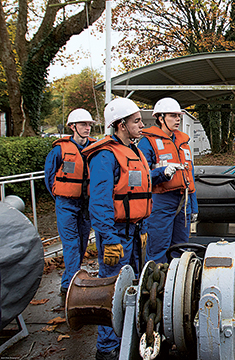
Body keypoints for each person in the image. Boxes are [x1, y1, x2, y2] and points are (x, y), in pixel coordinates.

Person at [83, 97, 170, 360]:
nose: (141, 125)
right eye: (136, 121)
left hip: (135, 230)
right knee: (112, 290)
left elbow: (137, 183)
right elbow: (99, 201)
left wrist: (159, 173)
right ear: (120, 125)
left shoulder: (135, 151)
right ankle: (107, 348)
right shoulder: (104, 156)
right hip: (116, 233)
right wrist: (108, 238)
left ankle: (127, 339)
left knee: (134, 286)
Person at [44, 108, 96, 305]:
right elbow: (50, 177)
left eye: (89, 124)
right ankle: (70, 285)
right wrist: (61, 196)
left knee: (83, 241)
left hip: (86, 203)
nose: (87, 128)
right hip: (66, 203)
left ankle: (72, 278)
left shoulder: (95, 148)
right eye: (83, 124)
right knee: (71, 243)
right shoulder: (59, 150)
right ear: (73, 127)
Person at [138, 97, 198, 264]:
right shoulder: (147, 143)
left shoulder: (183, 143)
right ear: (160, 118)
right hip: (160, 202)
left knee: (181, 248)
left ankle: (177, 286)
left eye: (178, 116)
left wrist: (193, 206)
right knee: (158, 248)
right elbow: (141, 177)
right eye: (173, 116)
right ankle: (156, 286)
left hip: (183, 201)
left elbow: (189, 176)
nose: (177, 120)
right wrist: (161, 173)